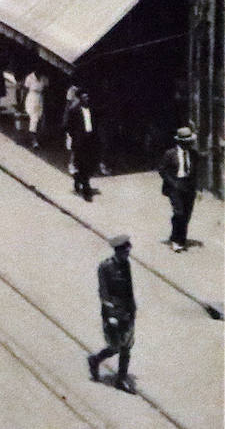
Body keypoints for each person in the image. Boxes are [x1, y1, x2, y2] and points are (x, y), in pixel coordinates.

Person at [87, 235, 136, 392]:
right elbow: (103, 293)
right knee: (115, 346)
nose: (127, 254)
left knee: (127, 346)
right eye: (125, 251)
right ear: (118, 251)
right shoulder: (105, 267)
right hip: (113, 312)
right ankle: (95, 360)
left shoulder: (126, 265)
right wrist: (111, 315)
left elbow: (129, 289)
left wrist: (132, 309)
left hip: (126, 311)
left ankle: (121, 379)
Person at [158, 125, 199, 252]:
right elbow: (162, 170)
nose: (188, 145)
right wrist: (173, 183)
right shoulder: (170, 154)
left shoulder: (193, 154)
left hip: (189, 187)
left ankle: (180, 237)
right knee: (179, 213)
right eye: (185, 142)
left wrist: (199, 189)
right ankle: (176, 240)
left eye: (190, 142)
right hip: (174, 187)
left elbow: (196, 172)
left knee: (186, 214)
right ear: (180, 142)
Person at [65, 88, 101, 201]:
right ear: (80, 99)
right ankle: (86, 189)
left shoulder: (91, 110)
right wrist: (76, 136)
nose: (87, 99)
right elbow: (68, 126)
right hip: (79, 141)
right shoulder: (74, 110)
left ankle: (78, 180)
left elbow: (94, 123)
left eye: (87, 97)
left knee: (88, 163)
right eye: (84, 97)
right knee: (82, 164)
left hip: (89, 140)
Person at [23, 67, 48, 149]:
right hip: (32, 98)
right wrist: (22, 102)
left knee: (40, 118)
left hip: (40, 99)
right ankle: (34, 141)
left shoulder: (44, 78)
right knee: (34, 118)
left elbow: (46, 90)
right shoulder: (30, 77)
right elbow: (25, 90)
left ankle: (36, 138)